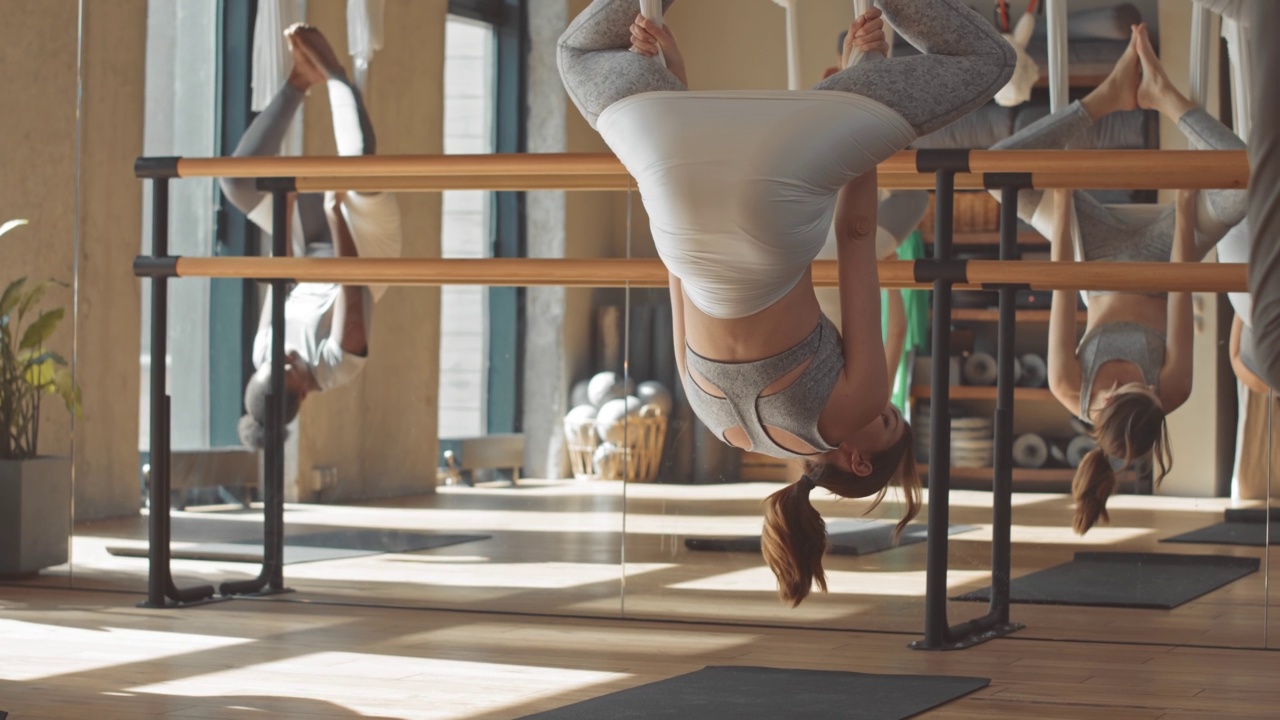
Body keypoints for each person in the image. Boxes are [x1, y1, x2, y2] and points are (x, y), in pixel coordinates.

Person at [559, 0, 1016, 606]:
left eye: (887, 423)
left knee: (988, 60)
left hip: (770, 205)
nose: (885, 409)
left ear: (855, 461)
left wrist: (862, 97)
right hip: (666, 169)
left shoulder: (855, 405)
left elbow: (856, 237)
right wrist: (674, 87)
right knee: (578, 53)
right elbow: (680, 267)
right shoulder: (722, 428)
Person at [993, 25, 1247, 534]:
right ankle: (1165, 98)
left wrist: (1063, 200)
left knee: (1000, 174)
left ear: (1104, 404)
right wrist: (1182, 200)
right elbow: (1179, 287)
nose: (1141, 381)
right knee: (1248, 180)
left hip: (1094, 260)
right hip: (1162, 264)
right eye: (1150, 390)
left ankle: (1102, 101)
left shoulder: (1070, 385)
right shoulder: (1172, 389)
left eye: (1132, 387)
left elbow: (1063, 281)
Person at [222, 24, 403, 449]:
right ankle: (336, 76)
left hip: (308, 252)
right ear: (303, 390)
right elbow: (352, 286)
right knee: (360, 164)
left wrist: (284, 216)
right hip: (364, 251)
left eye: (271, 361)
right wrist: (336, 214)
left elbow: (281, 284)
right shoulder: (336, 366)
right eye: (287, 367)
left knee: (235, 184)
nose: (281, 355)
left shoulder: (264, 355)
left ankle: (300, 80)